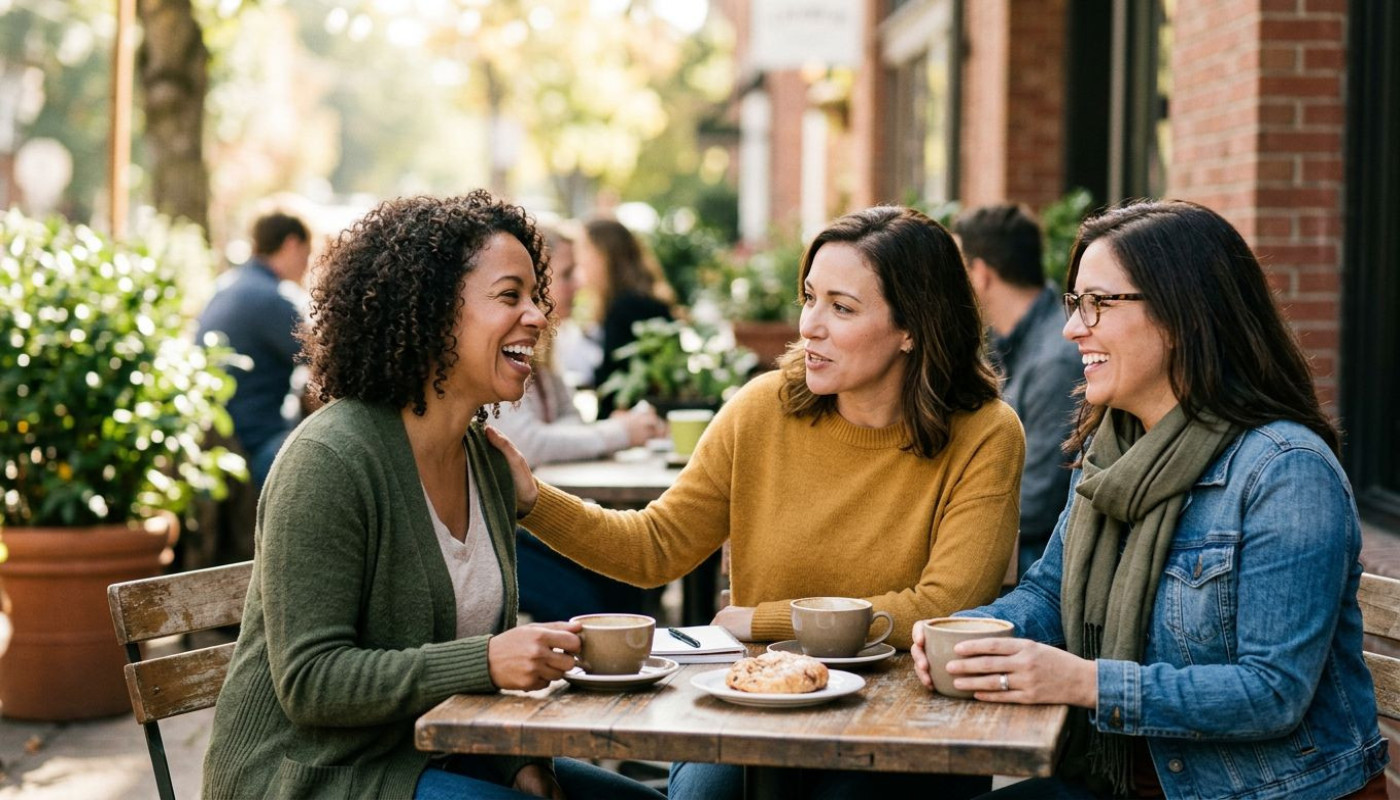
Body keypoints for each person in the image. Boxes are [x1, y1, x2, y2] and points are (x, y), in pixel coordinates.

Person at [489, 205, 1026, 800]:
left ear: (913, 329)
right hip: (757, 700)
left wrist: (762, 619)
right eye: (810, 298)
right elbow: (655, 547)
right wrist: (533, 501)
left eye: (842, 308)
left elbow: (946, 606)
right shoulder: (764, 408)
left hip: (907, 716)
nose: (811, 325)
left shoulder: (985, 432)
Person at [911, 199, 1388, 800]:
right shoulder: (1112, 449)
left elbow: (1272, 693)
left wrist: (1084, 682)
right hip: (1124, 780)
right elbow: (1050, 592)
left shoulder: (1285, 471)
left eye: (1098, 303)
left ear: (1182, 316)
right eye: (1074, 302)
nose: (1072, 328)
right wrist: (969, 633)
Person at [200, 192, 664, 800]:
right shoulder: (329, 460)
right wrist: (486, 660)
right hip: (314, 776)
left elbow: (485, 664)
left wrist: (521, 762)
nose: (537, 316)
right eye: (510, 296)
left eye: (536, 296)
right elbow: (311, 682)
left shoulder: (486, 461)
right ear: (432, 311)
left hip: (441, 754)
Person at [493, 224, 666, 621]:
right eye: (567, 274)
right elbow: (528, 443)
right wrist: (619, 433)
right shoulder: (503, 356)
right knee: (592, 594)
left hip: (530, 517)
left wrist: (601, 434)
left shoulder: (543, 359)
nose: (580, 284)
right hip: (506, 526)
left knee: (627, 574)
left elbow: (568, 422)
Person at [955, 203, 1083, 578]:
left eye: (955, 269)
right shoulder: (1007, 344)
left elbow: (1038, 501)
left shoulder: (1055, 360)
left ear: (980, 274)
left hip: (1038, 563)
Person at [197, 211, 312, 488]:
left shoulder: (226, 286)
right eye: (307, 253)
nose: (308, 265)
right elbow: (329, 363)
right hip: (257, 444)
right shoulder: (274, 299)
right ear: (291, 244)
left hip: (217, 440)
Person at [577, 217, 675, 418]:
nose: (580, 261)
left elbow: (620, 381)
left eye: (585, 250)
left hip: (633, 422)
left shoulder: (627, 307)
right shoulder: (640, 300)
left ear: (605, 256)